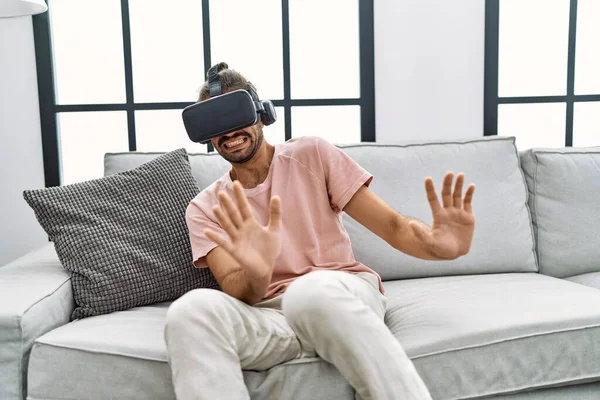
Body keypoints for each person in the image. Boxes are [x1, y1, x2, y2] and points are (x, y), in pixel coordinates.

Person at [164, 63, 476, 400]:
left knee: (309, 293)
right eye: (216, 124)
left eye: (236, 115)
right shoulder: (205, 208)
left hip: (338, 297)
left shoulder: (310, 154)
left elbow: (393, 226)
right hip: (271, 320)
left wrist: (438, 246)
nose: (229, 132)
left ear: (260, 112)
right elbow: (240, 290)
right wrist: (256, 271)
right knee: (189, 311)